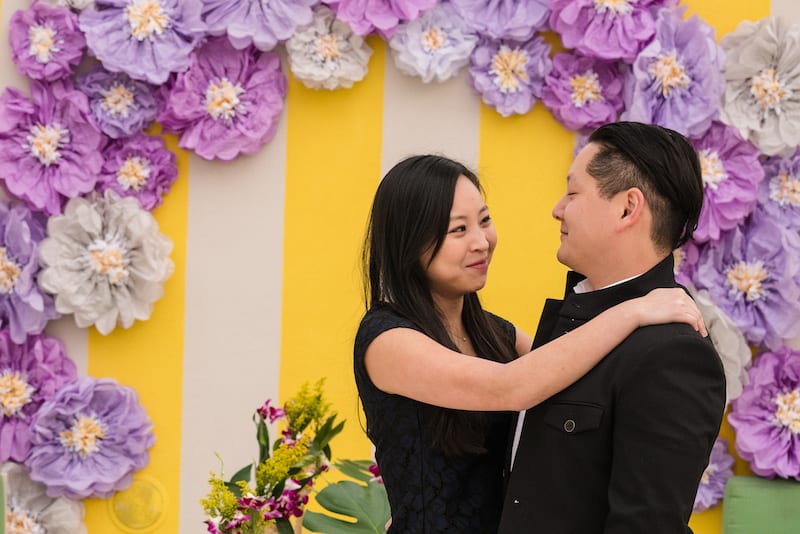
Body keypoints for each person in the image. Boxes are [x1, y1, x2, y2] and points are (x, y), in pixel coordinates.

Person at [354, 154, 709, 533]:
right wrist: (634, 311)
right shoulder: (387, 339)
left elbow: (570, 382)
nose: (481, 242)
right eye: (458, 230)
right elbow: (512, 387)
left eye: (485, 221)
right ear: (409, 242)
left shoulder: (496, 334)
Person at [498, 122, 727, 533]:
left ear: (627, 208)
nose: (557, 209)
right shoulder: (575, 321)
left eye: (572, 193)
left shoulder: (672, 353)